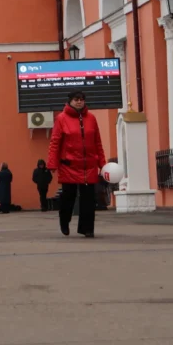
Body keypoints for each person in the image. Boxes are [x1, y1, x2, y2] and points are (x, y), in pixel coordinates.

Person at [47, 90, 106, 238]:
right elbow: (55, 142)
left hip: (89, 165)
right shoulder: (61, 119)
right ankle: (64, 221)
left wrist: (102, 163)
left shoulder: (91, 118)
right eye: (76, 99)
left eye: (81, 99)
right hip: (69, 165)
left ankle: (87, 228)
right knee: (68, 196)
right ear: (70, 101)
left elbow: (97, 141)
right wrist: (52, 164)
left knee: (88, 199)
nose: (79, 102)